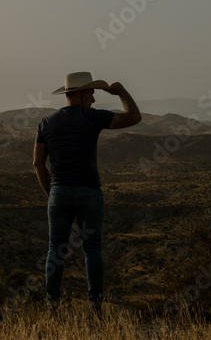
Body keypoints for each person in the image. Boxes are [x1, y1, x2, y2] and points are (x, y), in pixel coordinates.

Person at [33, 72, 142, 318]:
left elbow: (38, 164)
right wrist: (122, 92)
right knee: (92, 249)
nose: (94, 98)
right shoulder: (92, 118)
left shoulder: (46, 122)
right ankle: (95, 307)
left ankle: (52, 307)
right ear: (82, 94)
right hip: (89, 193)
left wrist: (52, 193)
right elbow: (134, 117)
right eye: (91, 93)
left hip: (59, 191)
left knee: (55, 248)